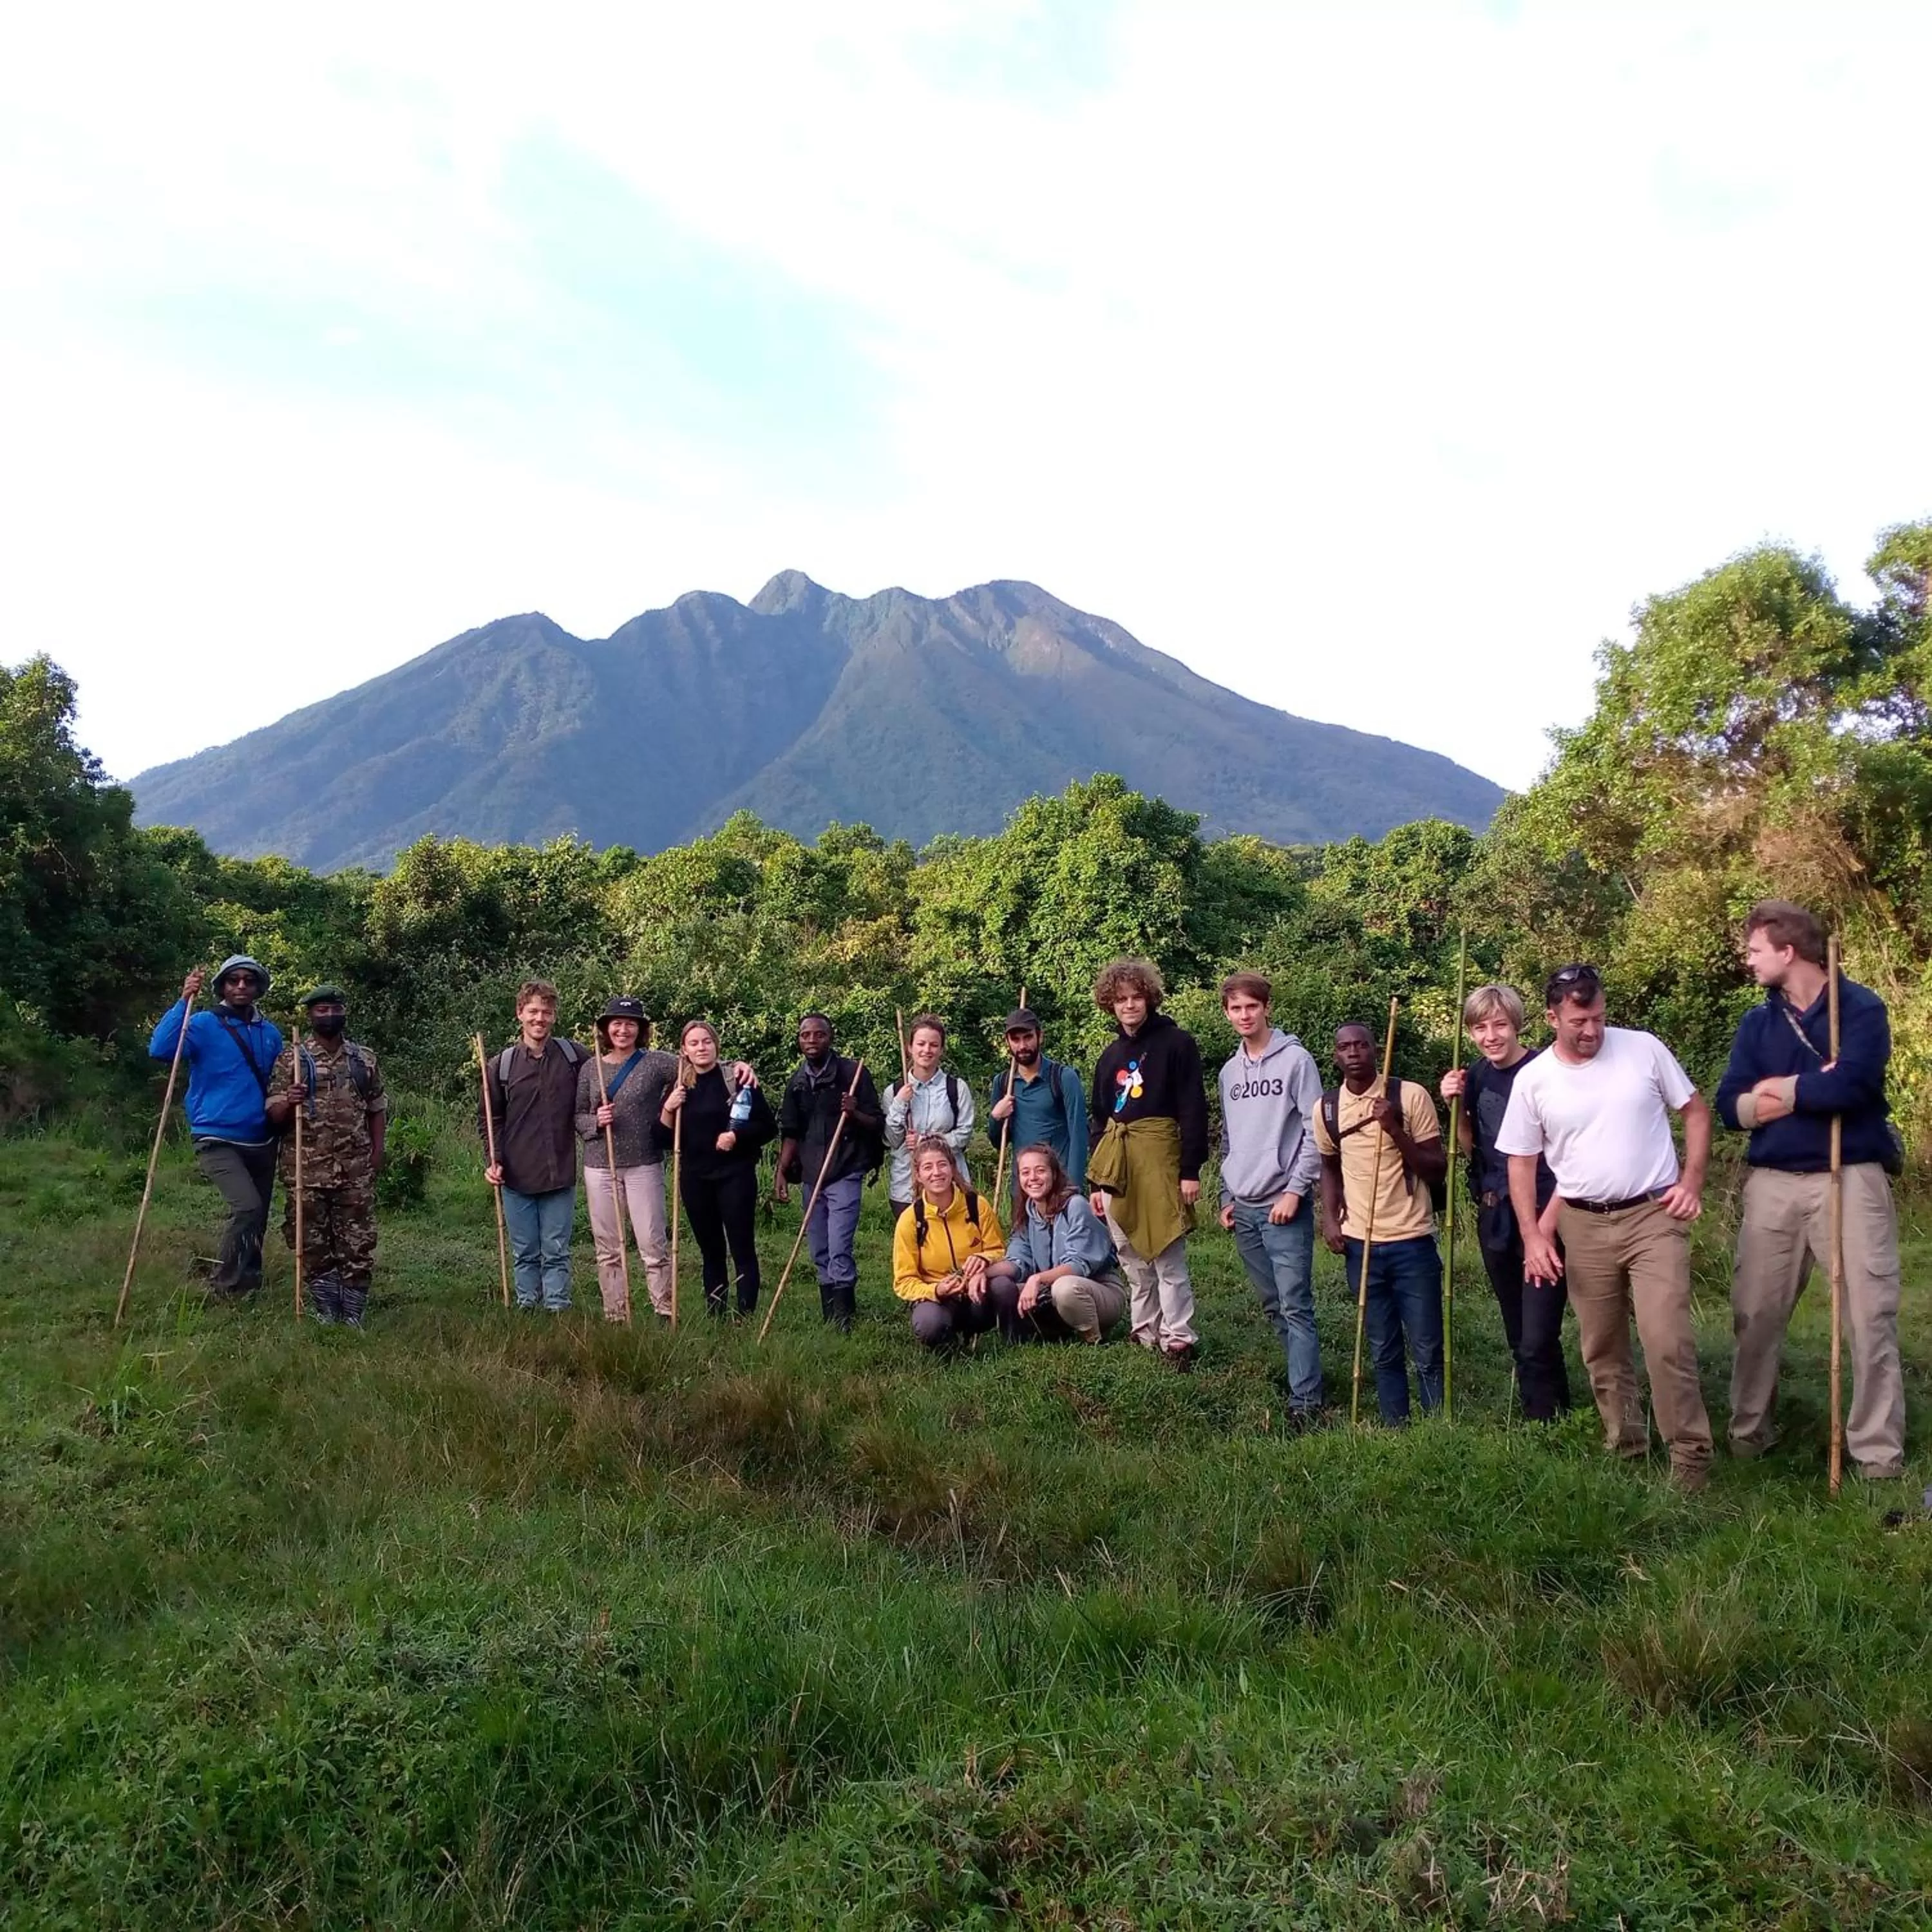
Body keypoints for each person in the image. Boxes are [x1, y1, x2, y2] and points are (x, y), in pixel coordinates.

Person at [1497, 964, 1714, 1492]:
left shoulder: (1643, 1049)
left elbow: (1695, 1111)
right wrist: (1533, 1236)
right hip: (1583, 1224)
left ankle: (1690, 1459)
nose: (1591, 1030)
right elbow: (1521, 1162)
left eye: (1597, 1017)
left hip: (1653, 1215)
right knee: (1601, 1344)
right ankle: (1627, 1445)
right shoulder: (1534, 1079)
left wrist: (1691, 1182)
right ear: (1552, 1019)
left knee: (1666, 1339)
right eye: (1578, 1021)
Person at [1714, 901, 1905, 1480]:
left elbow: (1853, 1086)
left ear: (1787, 950)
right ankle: (1750, 1435)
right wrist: (1793, 1093)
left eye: (1754, 950)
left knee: (1869, 1316)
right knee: (1755, 1313)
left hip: (1851, 1176)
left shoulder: (1861, 1009)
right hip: (1773, 1184)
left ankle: (1876, 1454)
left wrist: (1783, 1091)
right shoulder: (1758, 1024)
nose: (1747, 960)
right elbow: (1730, 1106)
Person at [1439, 983, 1571, 1421]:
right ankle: (1551, 1412)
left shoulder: (1545, 1071)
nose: (1490, 1035)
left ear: (1517, 1025)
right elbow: (1470, 1143)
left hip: (1544, 1211)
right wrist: (1453, 1105)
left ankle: (1546, 1419)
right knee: (1517, 1327)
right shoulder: (1475, 1076)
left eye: (1499, 1024)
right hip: (1494, 1211)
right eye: (1479, 1027)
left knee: (1538, 1330)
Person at [1314, 1019, 1448, 1424]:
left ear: (1375, 1050)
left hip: (1412, 1241)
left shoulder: (1409, 1096)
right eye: (1345, 1047)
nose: (1353, 1053)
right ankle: (1395, 1426)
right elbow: (1328, 1165)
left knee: (1427, 1346)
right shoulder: (1328, 1107)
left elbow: (1437, 1168)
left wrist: (1394, 1128)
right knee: (1381, 1344)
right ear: (1335, 1056)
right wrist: (1329, 1217)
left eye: (1362, 1046)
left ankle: (1437, 1426)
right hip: (1361, 1245)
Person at [1086, 957, 1209, 1367]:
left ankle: (1178, 1337)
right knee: (1130, 1254)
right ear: (1110, 1004)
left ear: (1149, 999)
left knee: (1166, 1252)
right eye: (1121, 999)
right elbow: (1099, 1120)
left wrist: (1190, 1170)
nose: (1130, 1005)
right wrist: (1098, 1185)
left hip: (1160, 1158)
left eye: (1137, 997)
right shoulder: (1110, 1056)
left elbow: (1193, 1109)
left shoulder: (1178, 1044)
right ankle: (1146, 1331)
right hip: (1117, 1162)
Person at [1216, 972, 1326, 1423]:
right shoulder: (1228, 1072)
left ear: (1267, 1008)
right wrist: (1226, 1194)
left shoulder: (1296, 1061)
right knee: (1272, 1304)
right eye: (1236, 1008)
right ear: (1227, 1013)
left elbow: (1315, 1131)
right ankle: (1305, 1377)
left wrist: (1296, 1190)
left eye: (1252, 1007)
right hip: (1243, 1207)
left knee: (1296, 1303)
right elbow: (1228, 1136)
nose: (1244, 1015)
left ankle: (1306, 1404)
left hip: (1284, 1206)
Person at [148, 955, 284, 1300]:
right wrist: (183, 1000)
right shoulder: (204, 1024)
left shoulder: (270, 1033)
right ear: (222, 986)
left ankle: (249, 1281)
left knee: (259, 1215)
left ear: (258, 988)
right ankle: (223, 1285)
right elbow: (161, 1049)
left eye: (248, 981)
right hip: (216, 1135)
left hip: (263, 1137)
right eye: (233, 980)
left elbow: (278, 1081)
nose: (240, 986)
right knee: (247, 1207)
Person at [264, 984, 388, 1327]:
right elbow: (272, 1114)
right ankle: (326, 1310)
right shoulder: (292, 1059)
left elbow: (377, 1108)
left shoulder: (363, 1059)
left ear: (344, 1013)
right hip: (306, 1167)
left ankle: (353, 1314)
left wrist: (378, 1151)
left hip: (355, 1167)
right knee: (311, 1241)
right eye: (321, 1010)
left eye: (335, 1009)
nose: (329, 1015)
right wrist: (290, 1099)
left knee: (357, 1242)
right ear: (310, 1015)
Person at [656, 1019, 778, 1319]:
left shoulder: (737, 1079)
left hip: (735, 1175)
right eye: (694, 1043)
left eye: (707, 1042)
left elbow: (768, 1127)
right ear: (683, 1050)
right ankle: (717, 1315)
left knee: (741, 1247)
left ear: (716, 1045)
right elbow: (661, 1139)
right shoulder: (679, 1086)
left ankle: (745, 1316)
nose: (701, 1048)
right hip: (695, 1178)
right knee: (710, 1250)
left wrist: (737, 1136)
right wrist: (669, 1107)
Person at [481, 979, 587, 1313]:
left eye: (546, 1012)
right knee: (524, 1250)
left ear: (554, 1017)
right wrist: (493, 1160)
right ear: (520, 1014)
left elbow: (607, 1077)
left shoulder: (575, 1057)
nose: (539, 1018)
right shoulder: (502, 1065)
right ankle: (528, 1308)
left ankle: (557, 1310)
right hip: (516, 1173)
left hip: (560, 1169)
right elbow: (490, 1119)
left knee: (556, 1249)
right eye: (533, 1011)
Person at [774, 1012, 884, 1331]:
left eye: (818, 1035)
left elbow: (877, 1122)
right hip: (811, 1174)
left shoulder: (853, 1074)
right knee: (818, 1246)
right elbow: (791, 1131)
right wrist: (782, 1171)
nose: (811, 1041)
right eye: (805, 1035)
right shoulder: (797, 1081)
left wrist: (854, 1112)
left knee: (839, 1245)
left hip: (845, 1169)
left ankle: (844, 1317)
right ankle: (829, 1314)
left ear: (830, 1038)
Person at [573, 996, 676, 1323]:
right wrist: (595, 1122)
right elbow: (577, 1116)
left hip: (644, 1164)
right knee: (608, 1248)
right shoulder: (592, 1068)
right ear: (605, 1029)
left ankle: (664, 1311)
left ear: (641, 1029)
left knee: (653, 1243)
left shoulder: (657, 1063)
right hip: (599, 1166)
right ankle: (616, 1313)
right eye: (616, 1022)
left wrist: (737, 1068)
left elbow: (698, 1066)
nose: (623, 1029)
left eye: (631, 1023)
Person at [893, 1136, 1018, 1350]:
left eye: (942, 1165)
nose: (936, 1173)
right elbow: (904, 1281)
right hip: (938, 1298)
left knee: (1004, 1286)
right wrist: (936, 1290)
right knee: (928, 1324)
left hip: (977, 1291)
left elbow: (999, 1250)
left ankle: (1012, 1342)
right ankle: (949, 1346)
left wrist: (983, 1260)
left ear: (952, 1168)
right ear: (919, 1175)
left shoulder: (976, 1205)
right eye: (928, 1167)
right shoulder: (910, 1220)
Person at [1006, 1143, 1126, 1343]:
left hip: (1099, 1292)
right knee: (1004, 1290)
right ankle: (1046, 1335)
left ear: (1054, 1174)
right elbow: (1017, 1261)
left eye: (1040, 1170)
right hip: (1050, 1292)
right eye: (1025, 1173)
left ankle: (1093, 1339)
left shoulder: (1076, 1205)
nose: (1033, 1178)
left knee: (1065, 1288)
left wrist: (1037, 1279)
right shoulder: (1027, 1214)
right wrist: (982, 1271)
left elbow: (1078, 1265)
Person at [986, 1008, 1089, 1211]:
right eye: (1015, 1040)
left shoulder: (1063, 1078)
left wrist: (1073, 1191)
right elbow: (998, 1142)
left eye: (1028, 1037)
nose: (1022, 1046)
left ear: (1040, 1036)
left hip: (1059, 1188)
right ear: (1007, 1042)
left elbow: (1079, 1135)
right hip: (1023, 1191)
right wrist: (996, 1116)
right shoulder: (1004, 1083)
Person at [883, 1013, 975, 1217]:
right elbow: (892, 1140)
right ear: (910, 1047)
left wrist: (927, 1141)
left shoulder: (957, 1089)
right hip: (906, 1187)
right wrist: (899, 1103)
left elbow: (963, 1137)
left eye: (934, 1045)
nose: (927, 1050)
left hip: (949, 1186)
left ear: (941, 1049)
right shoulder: (895, 1091)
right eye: (921, 1044)